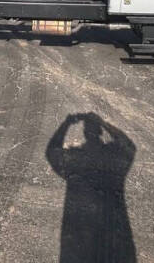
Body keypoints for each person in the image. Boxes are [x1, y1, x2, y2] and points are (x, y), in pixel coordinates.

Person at [46, 112, 136, 262]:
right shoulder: (112, 155)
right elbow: (129, 146)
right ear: (100, 131)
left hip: (78, 231)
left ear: (84, 133)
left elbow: (51, 151)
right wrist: (105, 124)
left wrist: (66, 123)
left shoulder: (75, 157)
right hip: (110, 230)